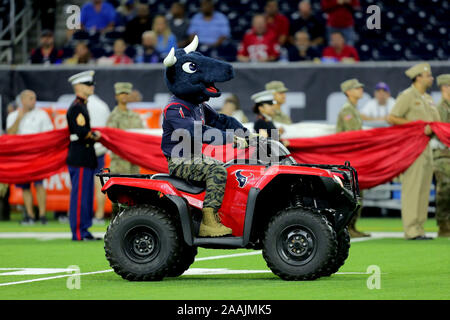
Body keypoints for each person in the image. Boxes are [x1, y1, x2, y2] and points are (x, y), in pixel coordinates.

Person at [161, 36, 250, 237]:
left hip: (196, 158)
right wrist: (230, 138)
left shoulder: (198, 106)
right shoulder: (175, 108)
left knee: (232, 169)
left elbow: (221, 120)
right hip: (179, 161)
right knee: (217, 171)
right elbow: (194, 131)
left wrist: (247, 134)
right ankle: (208, 221)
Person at [387, 63, 441, 240]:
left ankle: (419, 228)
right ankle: (410, 230)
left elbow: (435, 122)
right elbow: (392, 117)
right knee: (412, 188)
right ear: (418, 77)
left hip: (427, 147)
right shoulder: (407, 96)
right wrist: (416, 127)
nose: (431, 79)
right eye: (428, 76)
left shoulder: (428, 98)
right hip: (412, 148)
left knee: (424, 189)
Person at [6, 90, 54, 225]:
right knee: (24, 187)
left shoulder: (42, 115)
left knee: (39, 184)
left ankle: (43, 215)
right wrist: (19, 118)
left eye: (34, 98)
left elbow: (49, 135)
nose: (33, 101)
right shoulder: (14, 115)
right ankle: (30, 215)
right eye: (30, 98)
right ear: (22, 100)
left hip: (37, 154)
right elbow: (9, 135)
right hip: (21, 156)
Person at [66, 70, 102, 241]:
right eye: (88, 84)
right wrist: (94, 135)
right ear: (78, 87)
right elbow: (81, 132)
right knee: (80, 197)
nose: (92, 87)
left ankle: (84, 230)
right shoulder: (77, 107)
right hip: (80, 157)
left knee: (86, 197)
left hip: (85, 157)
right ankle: (79, 232)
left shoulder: (82, 105)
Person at [336, 79, 370, 238]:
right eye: (357, 88)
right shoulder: (347, 111)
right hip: (349, 157)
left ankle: (353, 226)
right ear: (349, 92)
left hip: (355, 156)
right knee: (352, 192)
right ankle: (348, 227)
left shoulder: (353, 109)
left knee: (358, 191)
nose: (360, 90)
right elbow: (352, 135)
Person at [106, 82, 144, 218]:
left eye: (126, 93)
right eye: (121, 93)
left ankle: (131, 220)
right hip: (119, 162)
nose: (124, 96)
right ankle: (116, 221)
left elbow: (141, 136)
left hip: (133, 161)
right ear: (116, 96)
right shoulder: (113, 116)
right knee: (118, 196)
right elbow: (111, 138)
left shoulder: (135, 116)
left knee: (134, 193)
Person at [87, 94, 111, 225]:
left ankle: (86, 214)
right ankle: (99, 215)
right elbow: (107, 129)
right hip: (100, 149)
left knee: (84, 185)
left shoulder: (80, 105)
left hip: (85, 150)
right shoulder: (102, 106)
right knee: (100, 184)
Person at [432, 74, 450, 237]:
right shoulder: (439, 108)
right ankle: (443, 223)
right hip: (442, 154)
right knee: (445, 187)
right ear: (444, 87)